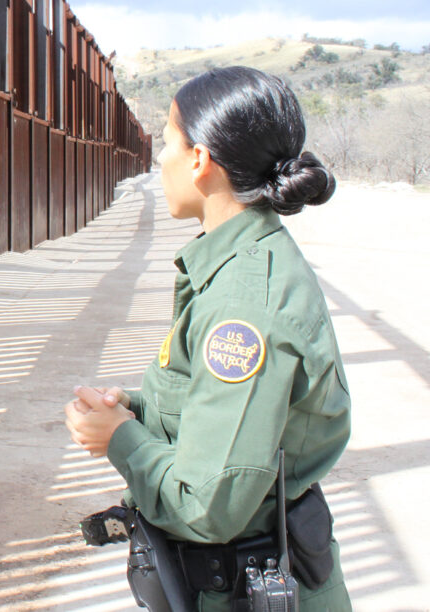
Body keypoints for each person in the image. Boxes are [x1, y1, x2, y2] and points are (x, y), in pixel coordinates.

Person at [64, 66, 352, 611]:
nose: (161, 159)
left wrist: (119, 439)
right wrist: (139, 411)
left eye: (169, 142)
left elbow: (208, 503)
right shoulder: (240, 265)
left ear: (200, 160)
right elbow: (236, 416)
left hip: (238, 590)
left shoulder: (244, 304)